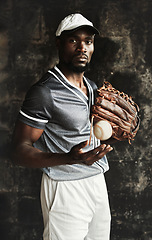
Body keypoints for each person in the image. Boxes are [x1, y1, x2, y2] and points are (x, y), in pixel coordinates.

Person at [11, 13, 113, 240]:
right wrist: (69, 158)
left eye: (88, 41)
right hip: (65, 187)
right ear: (59, 43)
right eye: (73, 40)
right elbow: (18, 151)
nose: (82, 47)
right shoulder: (45, 92)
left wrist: (118, 135)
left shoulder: (93, 87)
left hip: (97, 180)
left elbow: (88, 136)